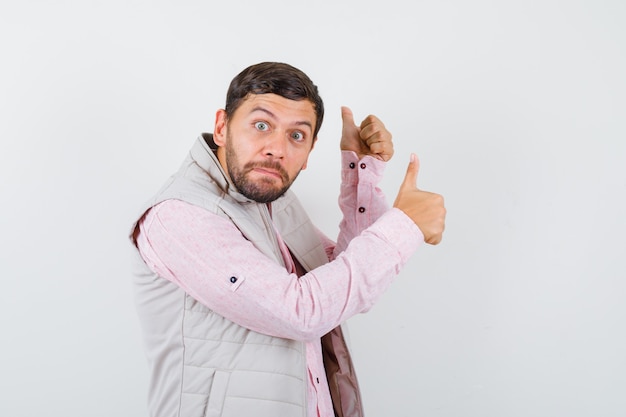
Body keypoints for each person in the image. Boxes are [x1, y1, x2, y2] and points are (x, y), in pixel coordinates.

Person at [129, 61, 446, 417]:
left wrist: (361, 171)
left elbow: (340, 285)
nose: (276, 149)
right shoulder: (180, 215)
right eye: (261, 125)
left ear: (309, 152)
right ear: (221, 127)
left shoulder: (270, 199)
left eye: (296, 135)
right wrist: (404, 227)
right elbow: (303, 312)